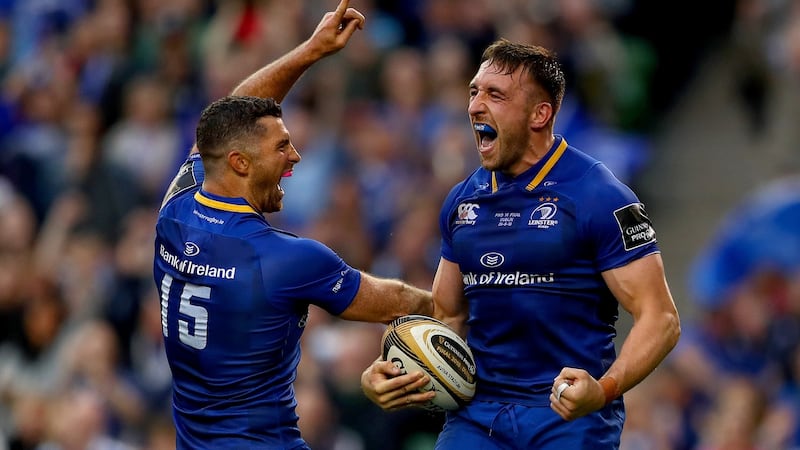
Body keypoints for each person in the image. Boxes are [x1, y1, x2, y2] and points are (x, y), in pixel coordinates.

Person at [360, 39, 681, 449]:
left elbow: (661, 319)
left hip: (565, 417)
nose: (475, 106)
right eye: (474, 92)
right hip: (478, 418)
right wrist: (393, 367)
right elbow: (449, 316)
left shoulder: (600, 195)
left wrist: (603, 390)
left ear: (539, 114)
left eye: (495, 95)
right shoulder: (462, 201)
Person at [152, 1, 433, 448]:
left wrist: (311, 49)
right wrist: (477, 301)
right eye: (282, 147)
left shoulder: (175, 211)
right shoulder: (285, 259)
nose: (295, 156)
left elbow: (229, 116)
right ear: (240, 163)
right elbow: (402, 302)